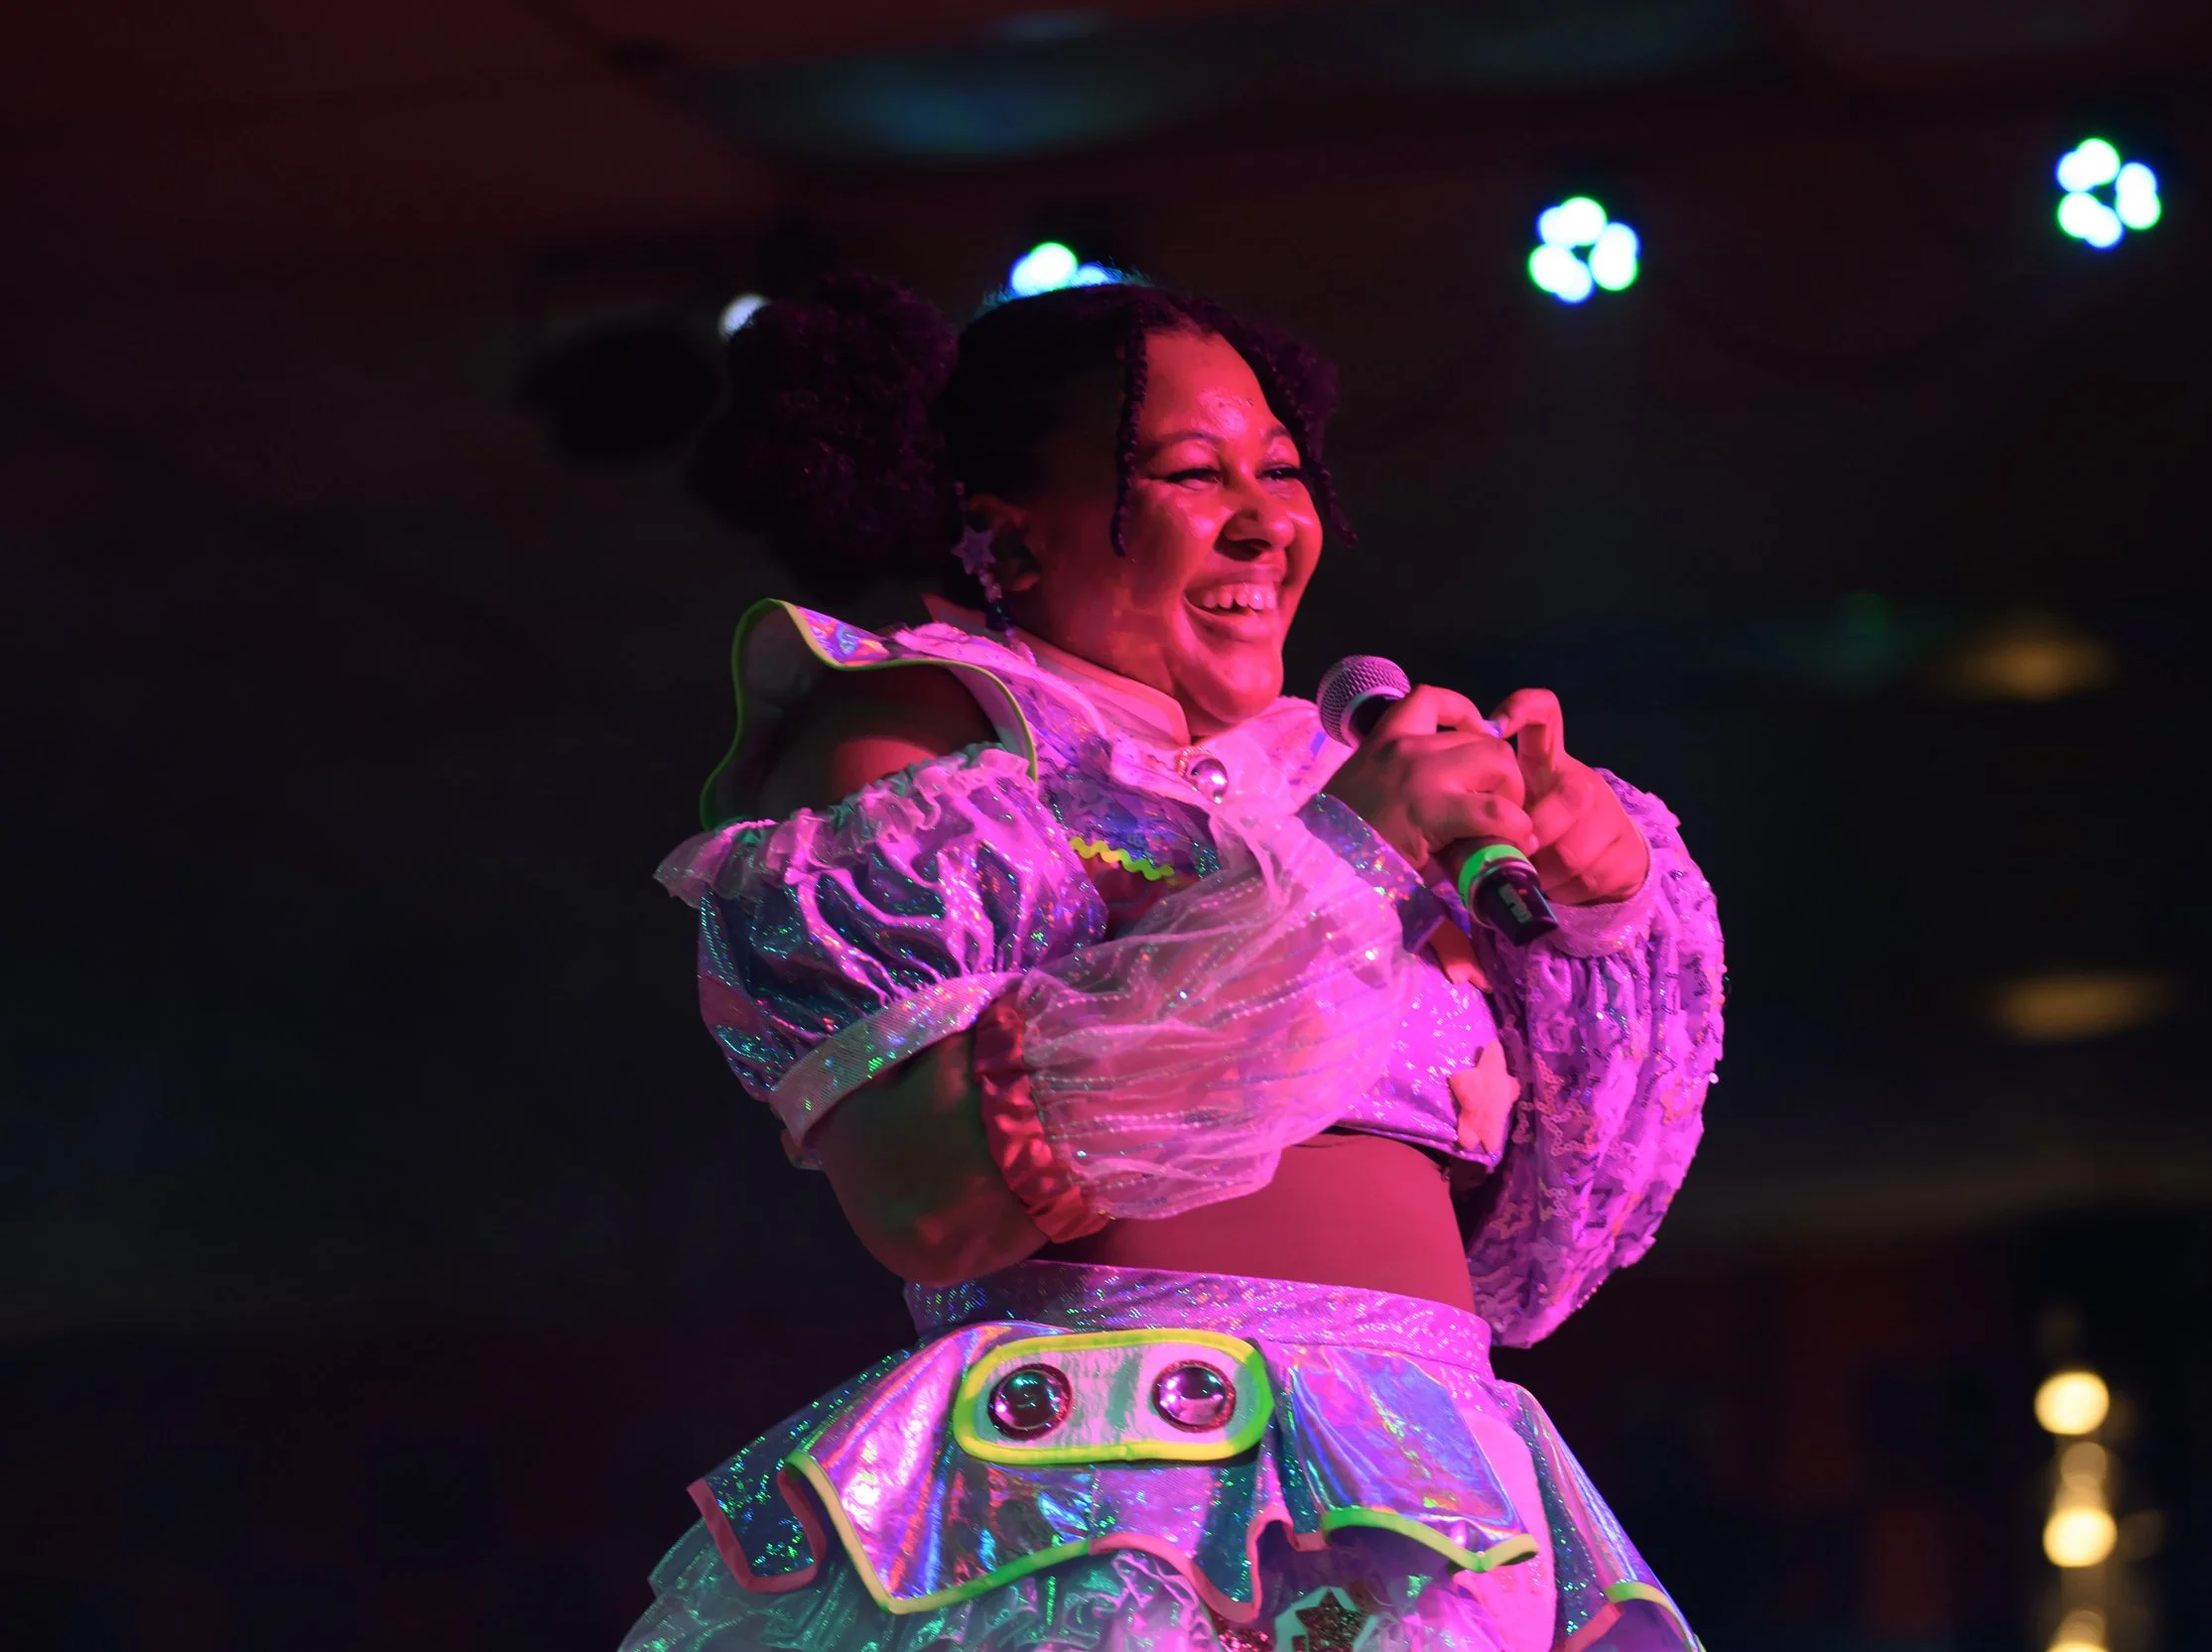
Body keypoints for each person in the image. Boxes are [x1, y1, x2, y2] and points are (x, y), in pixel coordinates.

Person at [627, 273, 1725, 1652]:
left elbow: (1536, 1261)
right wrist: (1344, 868)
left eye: (1283, 470)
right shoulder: (934, 746)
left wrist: (1598, 906)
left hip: (1435, 1501)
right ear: (1008, 535)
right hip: (1108, 1513)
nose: (1266, 520)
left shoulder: (1341, 768)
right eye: (1195, 474)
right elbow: (929, 1198)